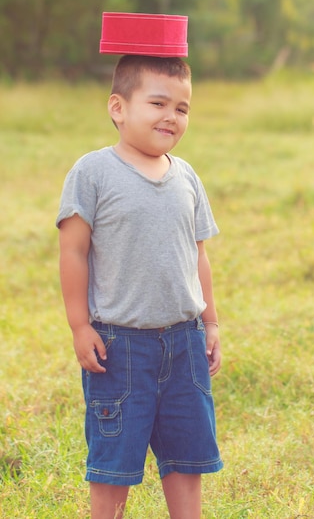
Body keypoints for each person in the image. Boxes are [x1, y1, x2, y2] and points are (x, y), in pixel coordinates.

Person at [57, 54, 223, 519]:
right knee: (114, 461)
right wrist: (78, 326)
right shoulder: (93, 172)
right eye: (158, 103)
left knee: (187, 456)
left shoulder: (186, 176)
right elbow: (73, 252)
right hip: (119, 346)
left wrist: (210, 322)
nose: (172, 116)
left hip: (184, 340)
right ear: (118, 107)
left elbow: (198, 255)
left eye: (182, 108)